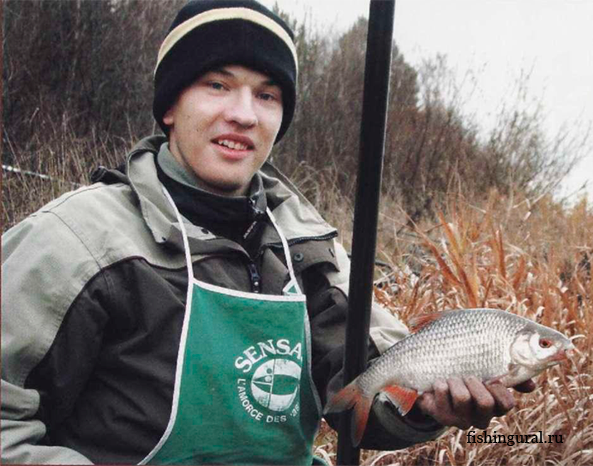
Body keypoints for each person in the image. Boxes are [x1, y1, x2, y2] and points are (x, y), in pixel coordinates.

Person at [1, 0, 534, 464]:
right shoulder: (73, 243)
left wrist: (430, 407)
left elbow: (361, 405)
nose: (243, 115)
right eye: (216, 85)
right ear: (169, 105)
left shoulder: (310, 249)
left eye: (267, 95)